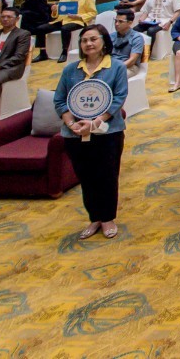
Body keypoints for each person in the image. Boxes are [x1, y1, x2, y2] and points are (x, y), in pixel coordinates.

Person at [53, 24, 128, 240]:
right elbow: (60, 100)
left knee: (107, 175)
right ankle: (94, 217)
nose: (88, 44)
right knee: (85, 176)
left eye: (93, 39)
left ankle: (107, 218)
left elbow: (118, 98)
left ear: (104, 42)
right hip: (75, 133)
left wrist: (95, 122)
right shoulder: (70, 70)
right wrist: (71, 124)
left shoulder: (116, 67)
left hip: (107, 132)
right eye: (84, 40)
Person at [31, 0, 96, 63]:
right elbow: (57, 14)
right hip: (62, 20)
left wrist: (79, 16)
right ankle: (42, 52)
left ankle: (64, 52)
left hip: (78, 21)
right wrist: (54, 10)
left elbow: (93, 13)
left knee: (65, 28)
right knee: (40, 28)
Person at [0, 6, 31, 123]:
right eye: (3, 16)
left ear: (17, 19)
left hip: (10, 67)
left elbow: (19, 57)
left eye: (9, 17)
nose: (5, 19)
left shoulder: (23, 34)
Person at [108, 8, 144, 72]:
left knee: (111, 76)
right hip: (111, 65)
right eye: (116, 21)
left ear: (129, 23)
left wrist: (115, 69)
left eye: (120, 21)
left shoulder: (136, 38)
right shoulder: (111, 36)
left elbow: (132, 60)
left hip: (129, 67)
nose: (116, 24)